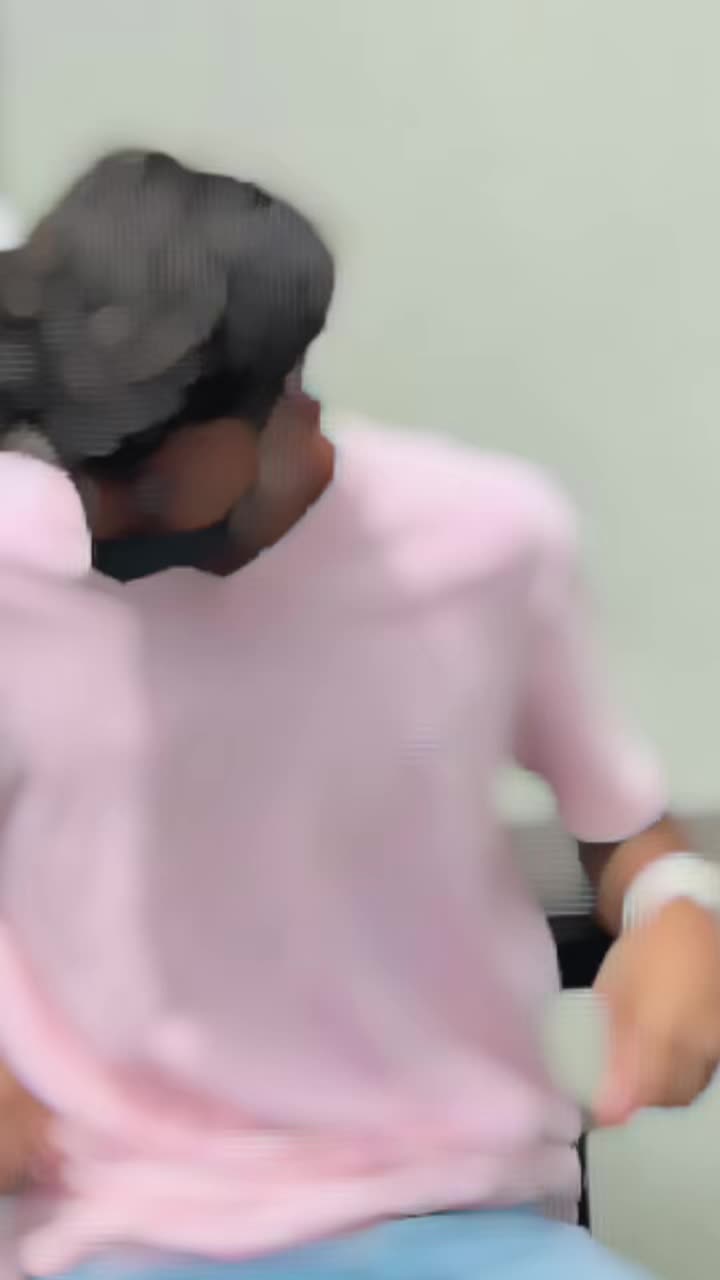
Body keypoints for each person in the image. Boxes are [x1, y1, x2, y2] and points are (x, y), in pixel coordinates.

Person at [0, 151, 718, 1280]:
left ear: (281, 395)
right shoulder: (16, 558)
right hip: (118, 1218)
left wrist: (679, 913)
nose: (100, 503)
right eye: (81, 458)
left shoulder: (486, 541)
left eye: (143, 469)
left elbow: (623, 828)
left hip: (456, 1205)